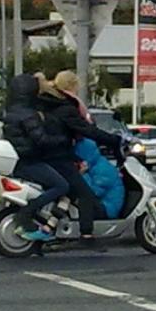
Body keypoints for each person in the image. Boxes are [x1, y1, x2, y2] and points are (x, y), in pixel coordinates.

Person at [37, 71, 123, 248]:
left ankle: (48, 229)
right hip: (60, 156)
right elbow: (87, 129)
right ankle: (86, 235)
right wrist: (112, 140)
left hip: (52, 153)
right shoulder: (67, 107)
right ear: (72, 87)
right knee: (84, 193)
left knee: (70, 192)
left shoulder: (49, 104)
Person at [2, 73, 71, 242]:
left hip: (18, 160)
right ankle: (27, 213)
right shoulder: (28, 115)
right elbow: (41, 139)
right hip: (30, 161)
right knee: (62, 186)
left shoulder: (10, 112)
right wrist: (64, 139)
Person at [77, 137, 125, 220]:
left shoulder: (103, 169)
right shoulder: (96, 165)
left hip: (107, 208)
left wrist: (82, 175)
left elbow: (94, 192)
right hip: (103, 203)